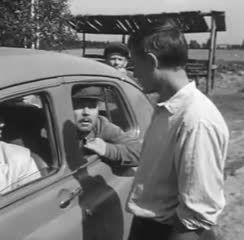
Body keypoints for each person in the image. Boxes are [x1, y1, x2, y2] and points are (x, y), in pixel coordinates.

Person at [126, 19, 229, 240]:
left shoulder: (195, 119)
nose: (133, 73)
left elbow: (196, 214)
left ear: (152, 61)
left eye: (134, 63)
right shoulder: (168, 108)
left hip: (168, 232)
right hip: (151, 226)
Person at [72, 85, 141, 165]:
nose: (86, 112)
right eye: (79, 106)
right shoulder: (57, 128)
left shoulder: (102, 126)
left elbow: (139, 153)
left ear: (98, 109)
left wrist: (106, 149)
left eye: (92, 106)